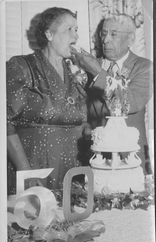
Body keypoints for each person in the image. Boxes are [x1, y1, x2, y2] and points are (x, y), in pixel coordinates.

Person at [7, 7, 89, 195]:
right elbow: (5, 123)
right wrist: (25, 172)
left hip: (73, 173)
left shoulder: (77, 72)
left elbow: (84, 121)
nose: (75, 37)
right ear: (49, 34)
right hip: (34, 170)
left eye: (76, 29)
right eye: (69, 29)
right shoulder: (22, 66)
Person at [71, 14, 153, 175]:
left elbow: (131, 102)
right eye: (103, 33)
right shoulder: (88, 66)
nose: (106, 40)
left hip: (130, 160)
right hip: (95, 159)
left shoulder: (144, 67)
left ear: (130, 39)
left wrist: (97, 73)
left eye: (113, 34)